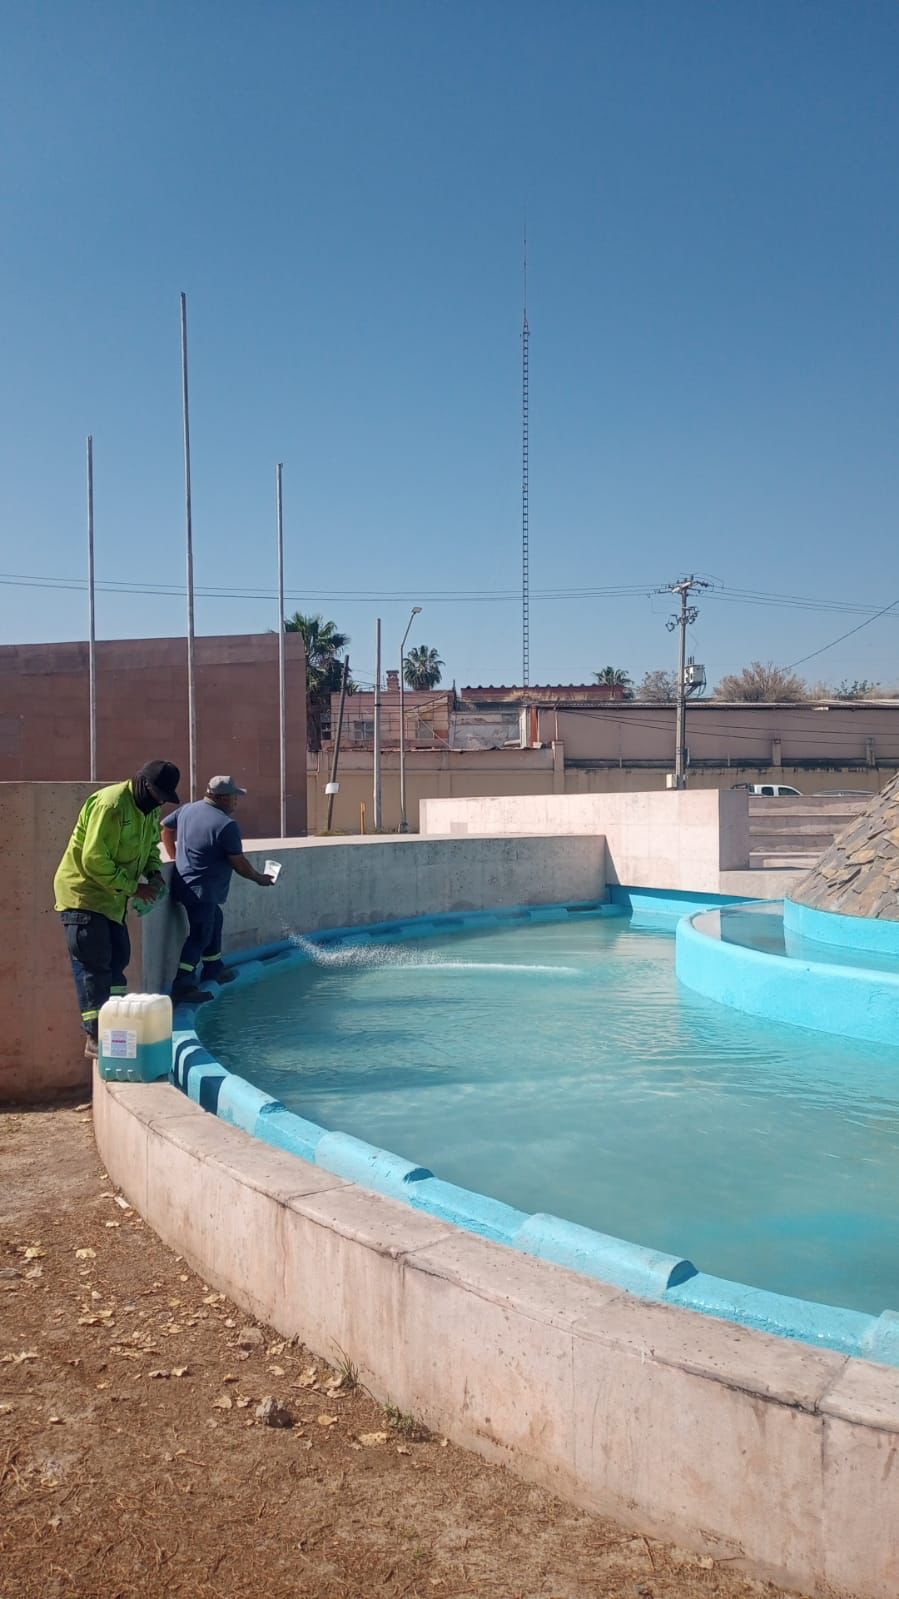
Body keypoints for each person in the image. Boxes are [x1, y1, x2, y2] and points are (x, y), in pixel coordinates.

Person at [54, 760, 181, 1058]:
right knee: (93, 964)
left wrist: (154, 874)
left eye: (165, 798)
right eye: (158, 794)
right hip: (83, 895)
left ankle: (115, 1028)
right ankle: (95, 1035)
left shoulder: (148, 811)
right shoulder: (111, 805)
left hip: (112, 900)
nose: (160, 802)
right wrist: (135, 888)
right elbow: (94, 859)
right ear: (143, 783)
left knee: (118, 959)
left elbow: (151, 848)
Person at [162, 775, 273, 1005]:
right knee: (200, 934)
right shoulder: (226, 825)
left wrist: (175, 856)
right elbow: (238, 862)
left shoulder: (188, 810)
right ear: (222, 798)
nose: (236, 802)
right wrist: (258, 878)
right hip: (202, 889)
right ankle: (183, 985)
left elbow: (165, 827)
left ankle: (213, 969)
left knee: (215, 920)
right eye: (234, 797)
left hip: (183, 883)